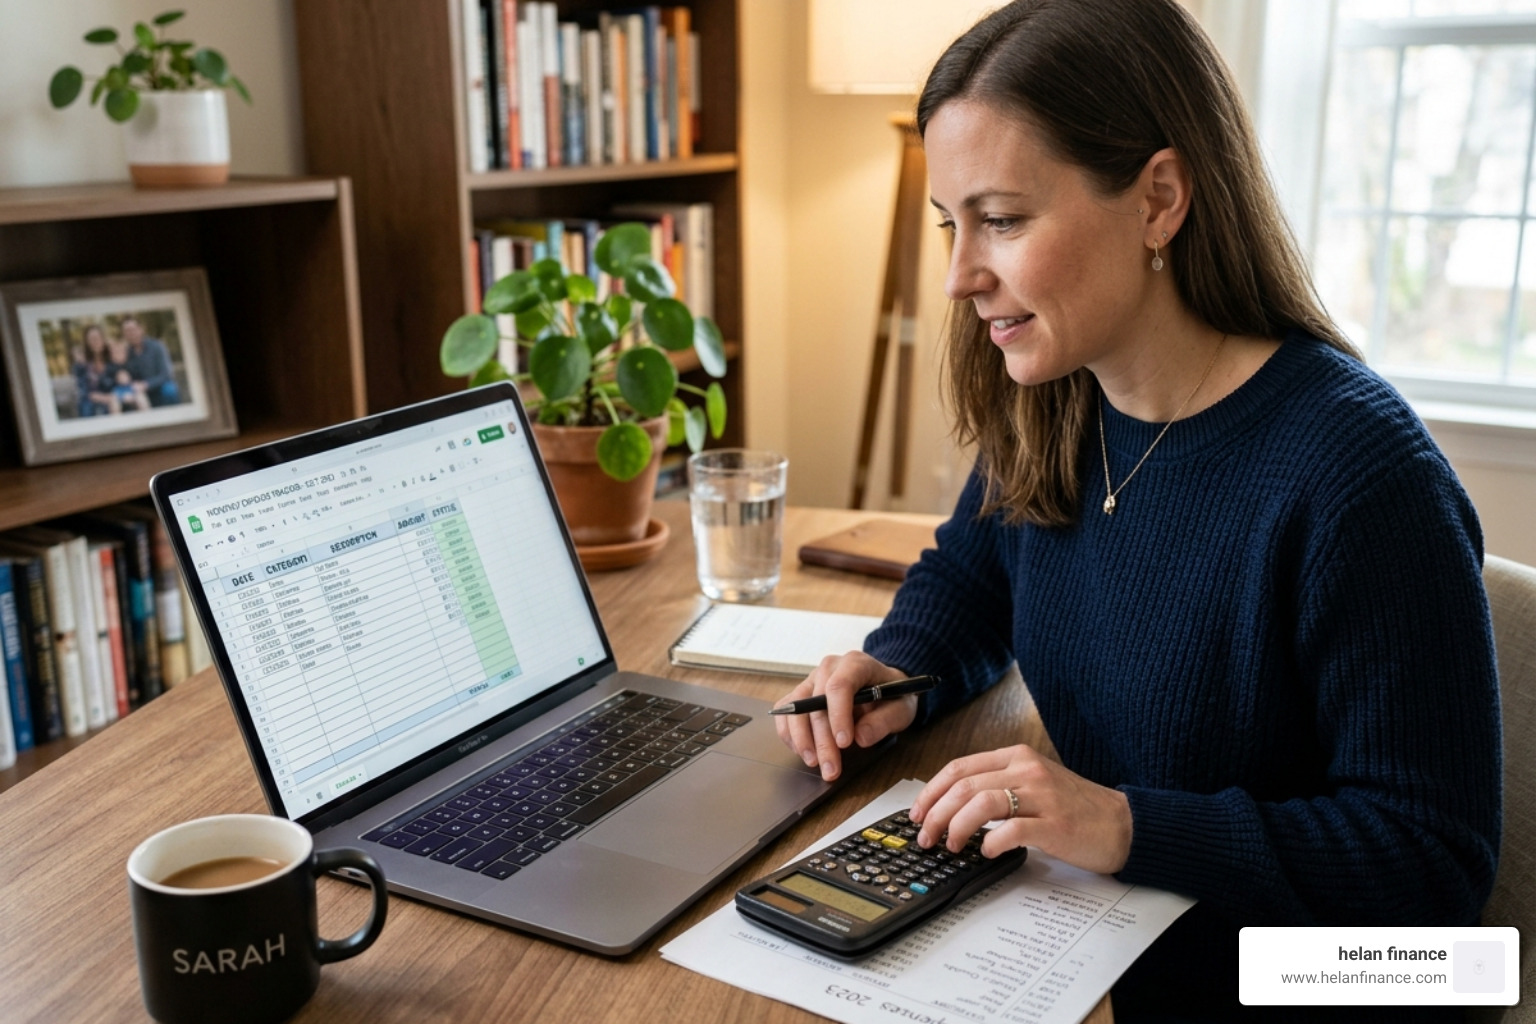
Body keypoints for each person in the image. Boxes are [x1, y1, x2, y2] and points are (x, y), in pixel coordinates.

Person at [774, 1, 1500, 1020]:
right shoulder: (1062, 394)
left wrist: (1123, 825)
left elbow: (1433, 883)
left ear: (1159, 197)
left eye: (1004, 219)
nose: (957, 276)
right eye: (952, 224)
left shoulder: (1361, 475)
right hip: (1091, 936)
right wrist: (903, 668)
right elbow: (974, 575)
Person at [120, 314, 180, 407]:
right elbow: (125, 376)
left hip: (159, 386)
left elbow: (166, 374)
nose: (131, 334)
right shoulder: (126, 353)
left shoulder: (157, 346)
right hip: (139, 391)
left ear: (141, 329)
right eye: (127, 331)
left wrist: (146, 385)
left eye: (133, 329)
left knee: (170, 390)